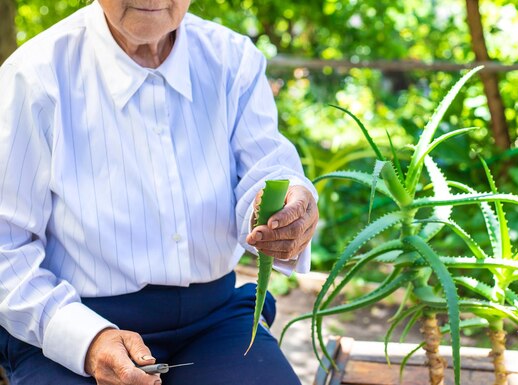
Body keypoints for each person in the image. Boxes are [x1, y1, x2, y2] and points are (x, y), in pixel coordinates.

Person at [0, 0, 319, 384]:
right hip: (74, 318)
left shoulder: (232, 59)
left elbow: (264, 168)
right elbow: (6, 245)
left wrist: (284, 209)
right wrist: (85, 340)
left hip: (213, 320)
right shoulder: (34, 74)